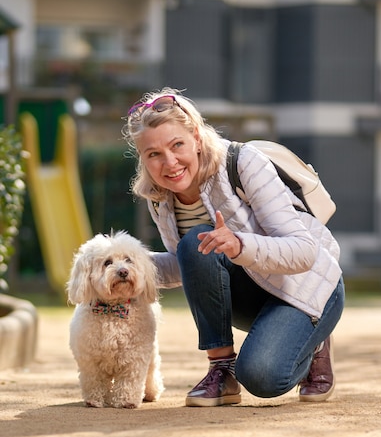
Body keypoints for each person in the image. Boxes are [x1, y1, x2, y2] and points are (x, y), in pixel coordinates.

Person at [123, 88, 344, 407]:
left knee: (262, 378)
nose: (169, 163)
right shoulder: (159, 196)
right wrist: (123, 266)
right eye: (153, 154)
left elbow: (304, 252)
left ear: (196, 137)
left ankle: (315, 340)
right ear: (142, 158)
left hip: (309, 287)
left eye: (177, 145)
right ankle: (221, 370)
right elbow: (185, 263)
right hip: (252, 293)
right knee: (195, 242)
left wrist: (239, 244)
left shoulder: (243, 162)